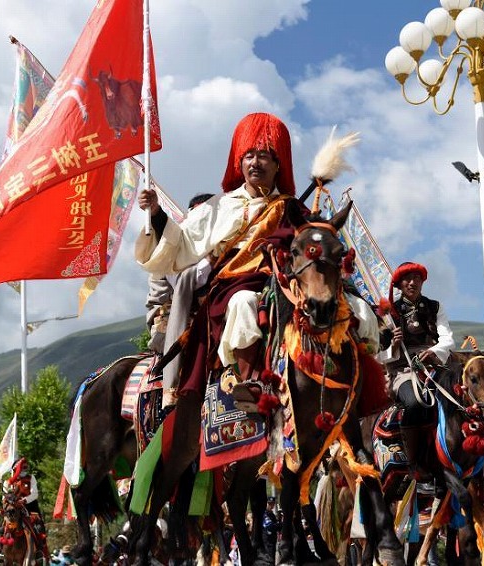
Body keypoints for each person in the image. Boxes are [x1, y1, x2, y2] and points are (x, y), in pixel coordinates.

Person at [136, 112, 379, 411]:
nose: (255, 162)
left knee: (359, 311)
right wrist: (158, 215)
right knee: (243, 304)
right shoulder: (219, 206)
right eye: (249, 154)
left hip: (288, 283)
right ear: (239, 162)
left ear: (278, 164)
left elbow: (318, 252)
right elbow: (182, 244)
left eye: (264, 155)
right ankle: (250, 381)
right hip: (233, 286)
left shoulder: (293, 208)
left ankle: (363, 387)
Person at [378, 261, 454, 480]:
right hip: (402, 370)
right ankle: (414, 463)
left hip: (434, 366)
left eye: (417, 278)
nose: (413, 283)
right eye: (408, 279)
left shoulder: (435, 307)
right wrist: (393, 345)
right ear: (400, 284)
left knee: (464, 398)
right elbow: (376, 352)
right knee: (414, 402)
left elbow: (447, 338)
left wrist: (434, 351)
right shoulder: (388, 312)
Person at [143, 193, 214, 407]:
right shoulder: (166, 256)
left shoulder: (223, 248)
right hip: (172, 322)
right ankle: (173, 396)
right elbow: (158, 304)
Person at [5, 458, 49, 560]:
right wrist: (9, 501)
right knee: (1, 529)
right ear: (16, 469)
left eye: (26, 467)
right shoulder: (8, 482)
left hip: (30, 508)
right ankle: (1, 552)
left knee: (39, 527)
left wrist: (23, 501)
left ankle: (39, 551)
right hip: (12, 510)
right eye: (23, 467)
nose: (25, 469)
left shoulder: (31, 478)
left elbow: (34, 494)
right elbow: (4, 498)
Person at [262, 496, 280, 561]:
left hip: (272, 541)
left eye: (272, 503)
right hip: (267, 541)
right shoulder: (264, 513)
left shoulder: (272, 514)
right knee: (269, 560)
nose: (271, 505)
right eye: (269, 503)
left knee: (272, 559)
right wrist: (281, 525)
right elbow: (270, 526)